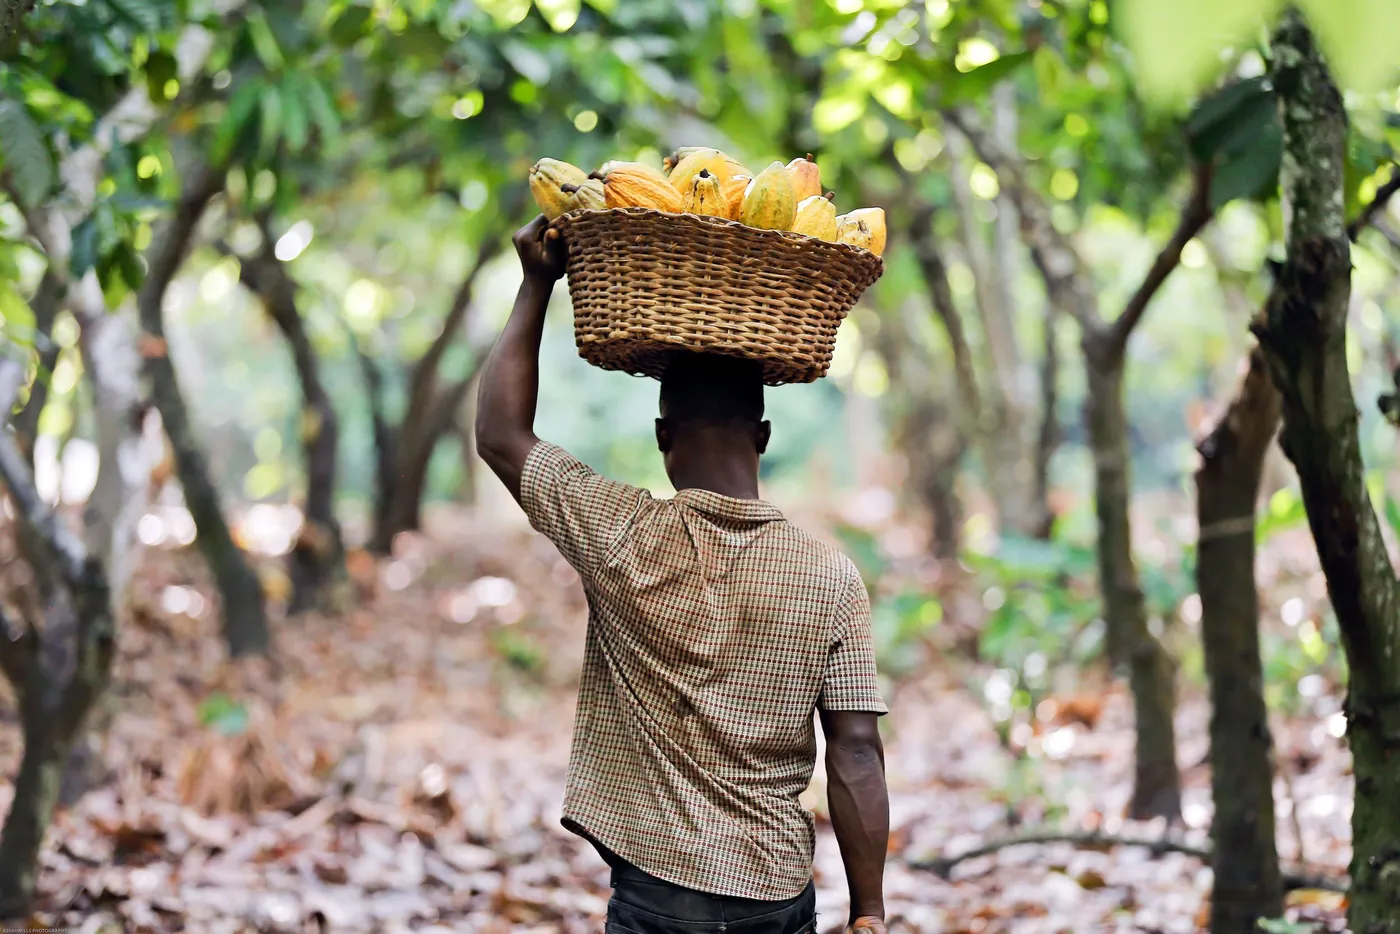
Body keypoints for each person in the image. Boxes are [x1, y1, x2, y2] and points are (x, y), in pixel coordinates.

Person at [476, 215, 890, 934]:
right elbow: (855, 750)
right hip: (777, 896)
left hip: (657, 898)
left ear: (663, 437)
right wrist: (870, 914)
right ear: (763, 438)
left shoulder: (620, 532)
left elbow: (501, 437)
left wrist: (536, 282)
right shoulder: (832, 577)